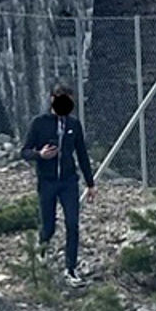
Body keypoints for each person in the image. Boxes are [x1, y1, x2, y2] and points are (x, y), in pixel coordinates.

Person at [20, 83, 96, 286]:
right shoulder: (39, 123)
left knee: (72, 223)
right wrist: (39, 155)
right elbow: (24, 151)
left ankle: (70, 269)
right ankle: (41, 248)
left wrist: (90, 183)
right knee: (49, 226)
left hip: (69, 182)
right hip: (47, 182)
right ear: (52, 99)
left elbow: (82, 154)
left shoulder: (74, 125)